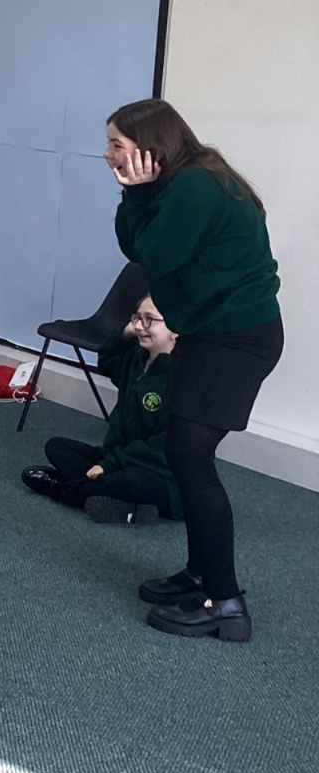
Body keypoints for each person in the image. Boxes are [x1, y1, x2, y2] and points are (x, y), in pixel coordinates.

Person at [106, 99, 282, 642]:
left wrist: (137, 193)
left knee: (190, 458)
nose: (107, 154)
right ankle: (200, 574)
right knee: (184, 454)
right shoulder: (178, 183)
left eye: (116, 144)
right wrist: (135, 193)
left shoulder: (195, 187)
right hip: (210, 334)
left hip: (235, 341)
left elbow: (155, 256)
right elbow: (134, 245)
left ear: (150, 147)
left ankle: (226, 604)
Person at [21, 295, 181, 525]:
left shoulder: (181, 378)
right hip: (118, 456)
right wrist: (123, 334)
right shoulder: (135, 359)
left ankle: (66, 491)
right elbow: (106, 361)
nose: (139, 326)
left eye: (149, 320)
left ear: (175, 329)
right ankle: (128, 506)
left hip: (157, 472)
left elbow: (162, 448)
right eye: (137, 318)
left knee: (132, 480)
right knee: (56, 447)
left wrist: (110, 465)